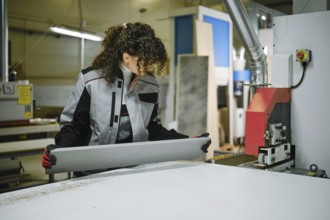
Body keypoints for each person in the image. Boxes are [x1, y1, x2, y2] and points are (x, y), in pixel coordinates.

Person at [42, 22, 210, 176]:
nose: (148, 66)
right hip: (93, 170)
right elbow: (73, 125)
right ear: (126, 56)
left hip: (135, 169)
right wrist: (60, 153)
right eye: (142, 60)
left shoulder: (150, 84)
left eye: (150, 61)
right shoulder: (91, 80)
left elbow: (152, 128)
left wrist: (187, 142)